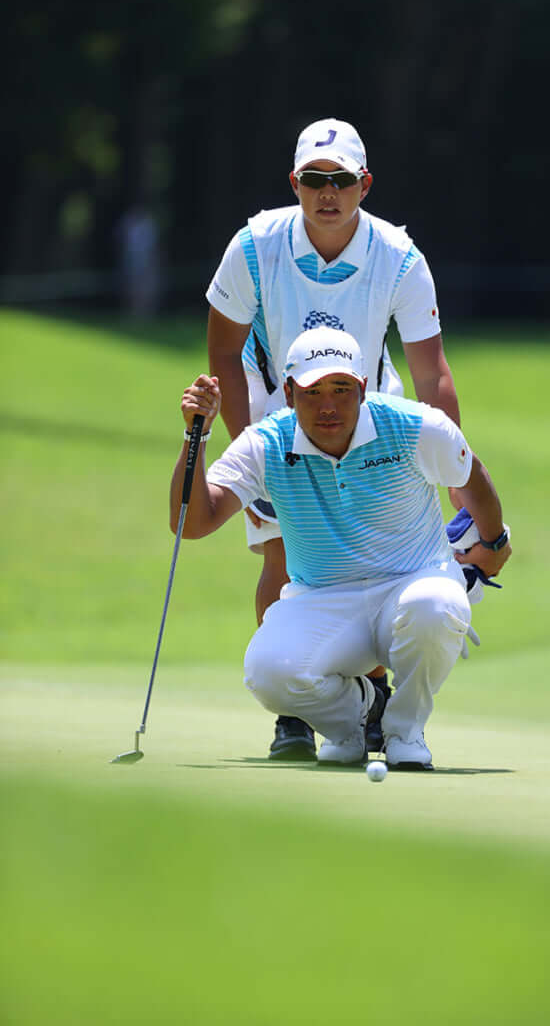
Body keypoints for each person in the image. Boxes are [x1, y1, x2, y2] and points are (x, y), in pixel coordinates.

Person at [205, 117, 462, 760]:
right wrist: (254, 457)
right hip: (275, 409)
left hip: (368, 416)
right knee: (279, 556)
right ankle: (296, 713)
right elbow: (225, 354)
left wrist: (457, 489)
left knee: (368, 561)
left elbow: (431, 372)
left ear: (364, 184)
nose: (328, 192)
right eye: (314, 179)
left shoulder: (399, 255)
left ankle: (373, 698)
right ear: (294, 182)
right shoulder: (253, 246)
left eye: (341, 180)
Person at [171, 328, 511, 771]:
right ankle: (356, 719)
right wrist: (195, 436)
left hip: (412, 582)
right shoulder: (266, 443)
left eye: (341, 388)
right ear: (289, 394)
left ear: (363, 388)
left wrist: (493, 542)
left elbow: (472, 476)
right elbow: (192, 523)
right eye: (312, 392)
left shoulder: (415, 425)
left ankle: (405, 731)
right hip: (323, 599)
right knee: (267, 671)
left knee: (435, 605)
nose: (328, 405)